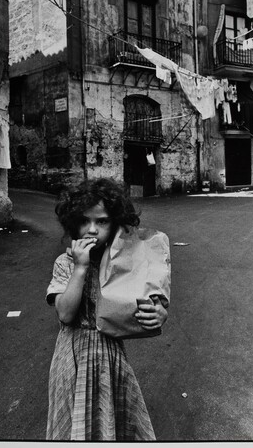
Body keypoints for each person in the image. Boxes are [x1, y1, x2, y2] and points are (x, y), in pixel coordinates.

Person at [46, 177, 169, 441]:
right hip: (73, 359)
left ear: (114, 223)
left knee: (113, 424)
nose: (92, 229)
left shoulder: (124, 263)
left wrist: (160, 313)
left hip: (110, 357)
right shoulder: (65, 263)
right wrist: (80, 267)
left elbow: (148, 300)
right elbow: (66, 314)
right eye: (84, 221)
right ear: (73, 223)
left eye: (101, 221)